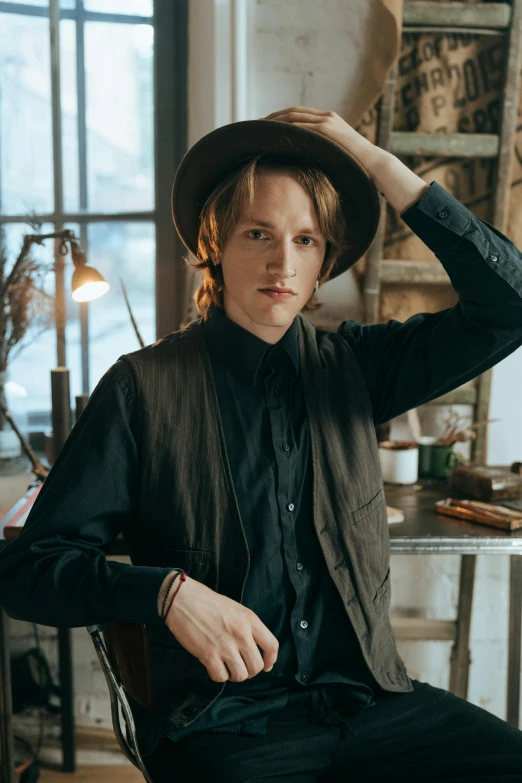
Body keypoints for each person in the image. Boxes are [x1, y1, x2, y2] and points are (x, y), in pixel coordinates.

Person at [1, 107, 522, 782]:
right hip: (226, 726)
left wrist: (372, 159)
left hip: (371, 705)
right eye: (259, 233)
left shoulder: (358, 368)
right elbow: (30, 570)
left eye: (306, 240)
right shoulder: (141, 389)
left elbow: (508, 302)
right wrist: (164, 592)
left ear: (325, 259)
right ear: (216, 242)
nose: (283, 261)